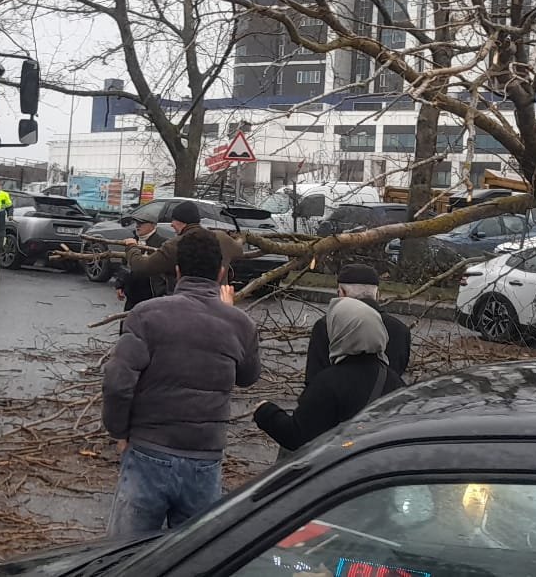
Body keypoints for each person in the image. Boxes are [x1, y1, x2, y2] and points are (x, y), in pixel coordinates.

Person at [102, 228, 260, 538]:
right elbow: (248, 376)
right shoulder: (240, 324)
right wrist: (230, 318)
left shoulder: (146, 315)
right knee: (195, 557)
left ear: (177, 271)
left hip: (148, 452)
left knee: (123, 557)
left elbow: (118, 382)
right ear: (222, 272)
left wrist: (119, 432)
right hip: (205, 460)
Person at [254, 297, 404, 452]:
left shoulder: (330, 383)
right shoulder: (396, 383)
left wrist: (265, 411)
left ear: (340, 332)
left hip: (343, 471)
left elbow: (298, 436)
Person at [306, 264, 411, 382]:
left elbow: (313, 378)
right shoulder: (401, 331)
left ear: (342, 293)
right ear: (377, 295)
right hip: (384, 398)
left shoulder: (326, 325)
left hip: (335, 397)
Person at [126, 200, 244, 288]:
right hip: (218, 302)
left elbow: (142, 267)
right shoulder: (222, 238)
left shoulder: (175, 245)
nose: (171, 224)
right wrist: (239, 237)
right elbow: (239, 251)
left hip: (185, 304)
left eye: (173, 220)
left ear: (181, 221)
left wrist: (132, 247)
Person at [116, 213, 168, 311]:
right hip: (132, 296)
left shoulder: (162, 244)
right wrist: (120, 284)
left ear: (153, 225)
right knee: (127, 324)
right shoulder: (132, 242)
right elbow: (124, 265)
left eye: (142, 223)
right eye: (137, 222)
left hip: (152, 297)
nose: (137, 225)